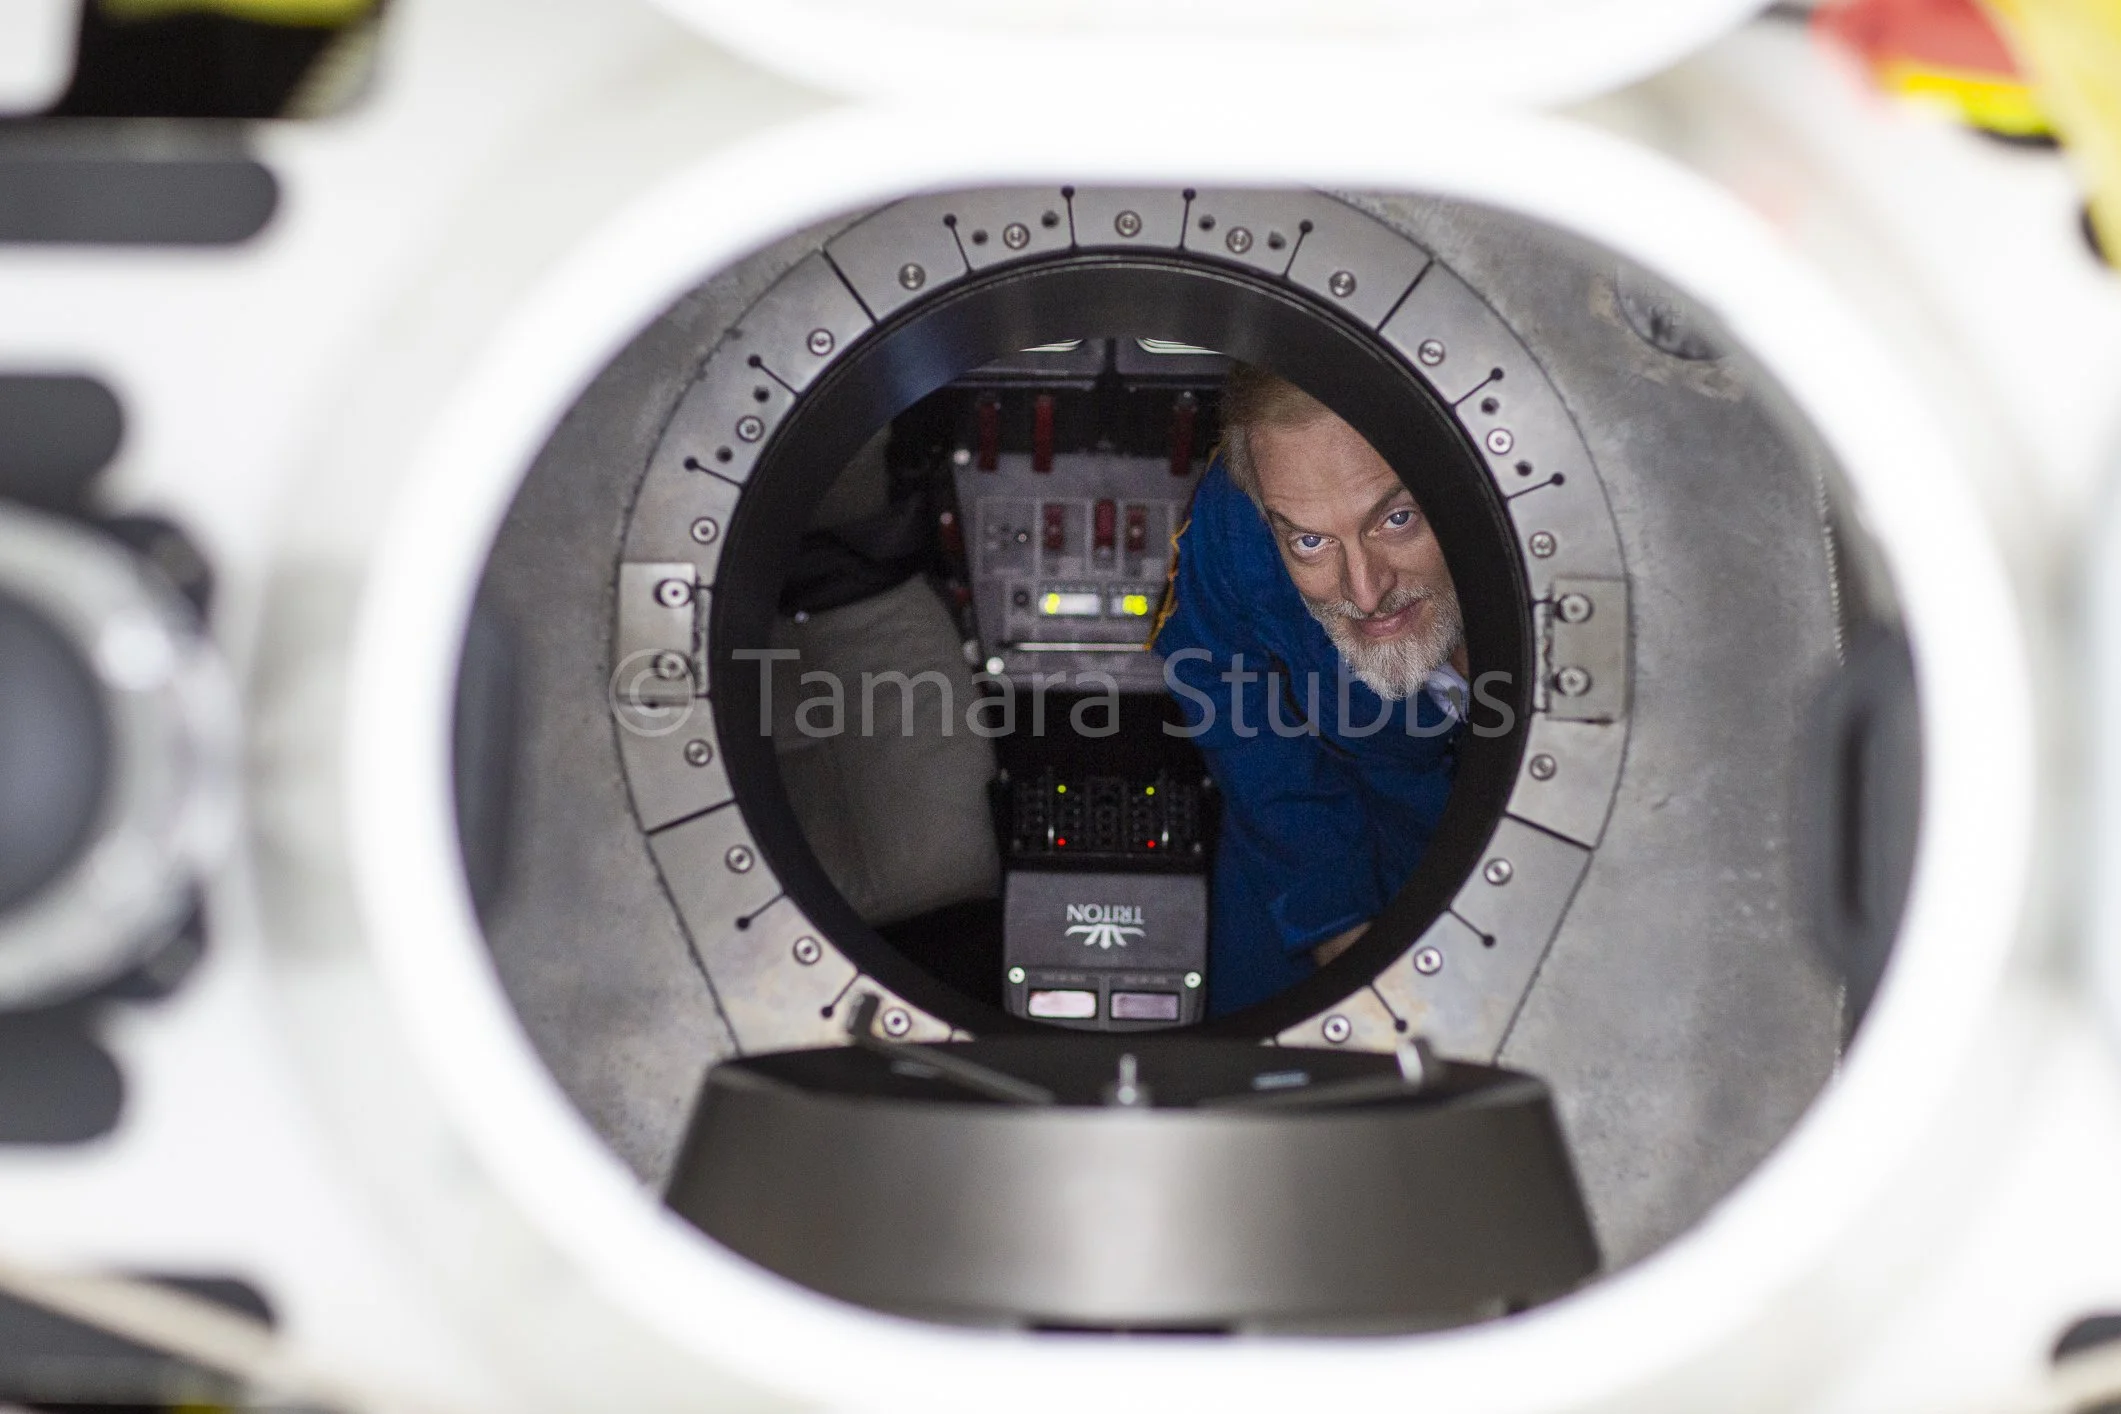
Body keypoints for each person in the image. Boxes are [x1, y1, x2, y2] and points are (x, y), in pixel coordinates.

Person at [1152, 364, 1468, 1017]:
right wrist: (1331, 914)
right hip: (1310, 825)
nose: (1365, 591)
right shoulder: (1239, 518)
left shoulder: (1565, 567)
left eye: (1397, 519)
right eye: (1310, 541)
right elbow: (1226, 691)